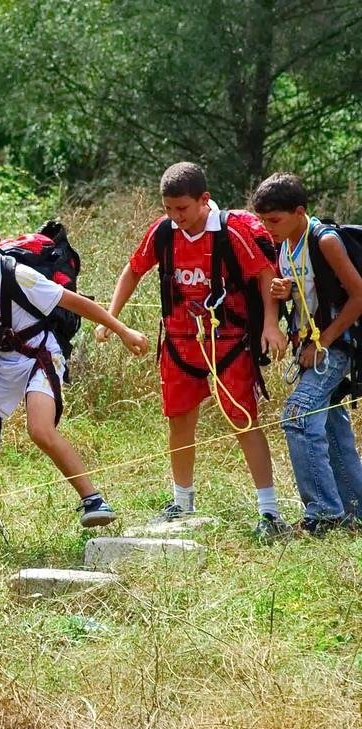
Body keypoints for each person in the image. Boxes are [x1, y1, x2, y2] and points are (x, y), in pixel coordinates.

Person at [0, 209, 149, 525]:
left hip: (38, 355)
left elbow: (75, 302)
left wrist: (122, 330)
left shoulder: (20, 276)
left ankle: (94, 501)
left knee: (39, 429)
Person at [96, 162, 288, 540]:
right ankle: (181, 503)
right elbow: (134, 269)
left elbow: (266, 274)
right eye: (168, 209)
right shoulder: (163, 232)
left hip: (229, 342)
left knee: (243, 420)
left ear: (204, 200)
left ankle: (269, 511)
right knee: (179, 420)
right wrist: (110, 318)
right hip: (181, 344)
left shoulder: (232, 233)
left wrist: (270, 324)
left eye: (182, 209)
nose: (175, 217)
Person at [252, 172, 362, 536]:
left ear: (299, 211)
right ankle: (354, 511)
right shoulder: (285, 244)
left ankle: (324, 515)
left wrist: (324, 342)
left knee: (297, 416)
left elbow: (359, 296)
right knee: (331, 424)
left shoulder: (325, 240)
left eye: (275, 220)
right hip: (310, 345)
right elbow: (309, 291)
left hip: (335, 345)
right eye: (264, 220)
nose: (268, 228)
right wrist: (285, 291)